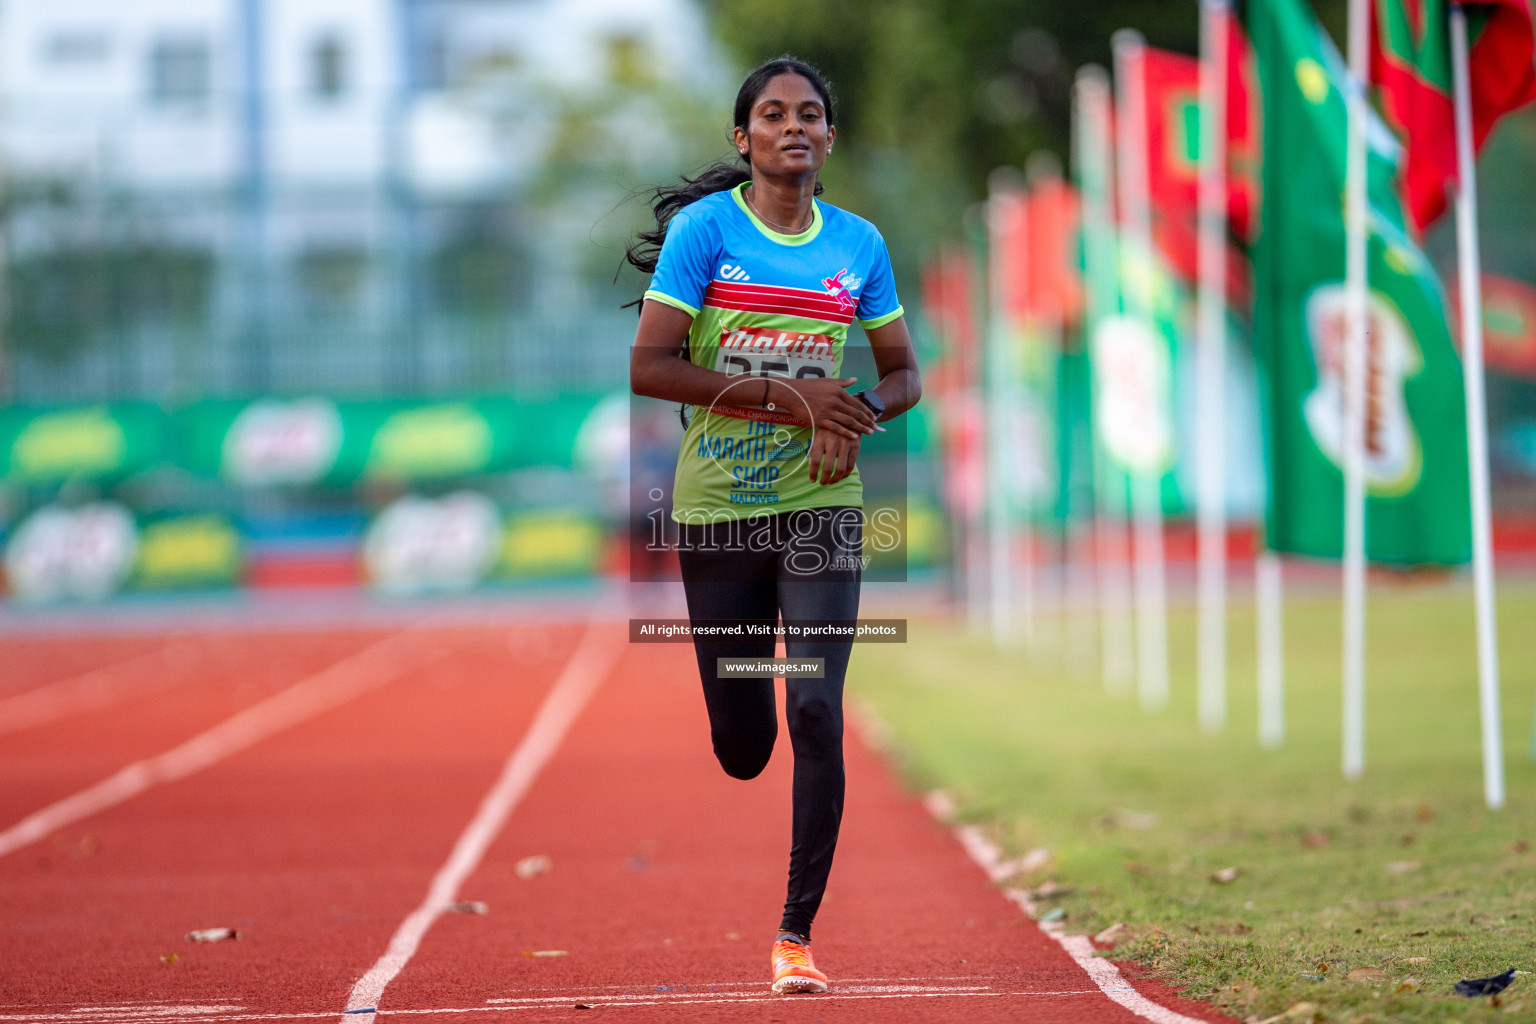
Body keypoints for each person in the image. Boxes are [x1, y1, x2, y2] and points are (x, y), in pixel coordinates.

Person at [627, 55, 921, 995]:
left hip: (821, 508)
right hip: (719, 509)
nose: (793, 126)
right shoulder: (705, 233)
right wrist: (790, 401)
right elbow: (651, 367)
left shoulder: (858, 245)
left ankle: (795, 934)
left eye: (810, 115)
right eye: (773, 114)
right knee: (746, 746)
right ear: (743, 137)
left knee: (816, 707)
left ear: (830, 137)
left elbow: (906, 374)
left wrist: (857, 415)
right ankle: (743, 707)